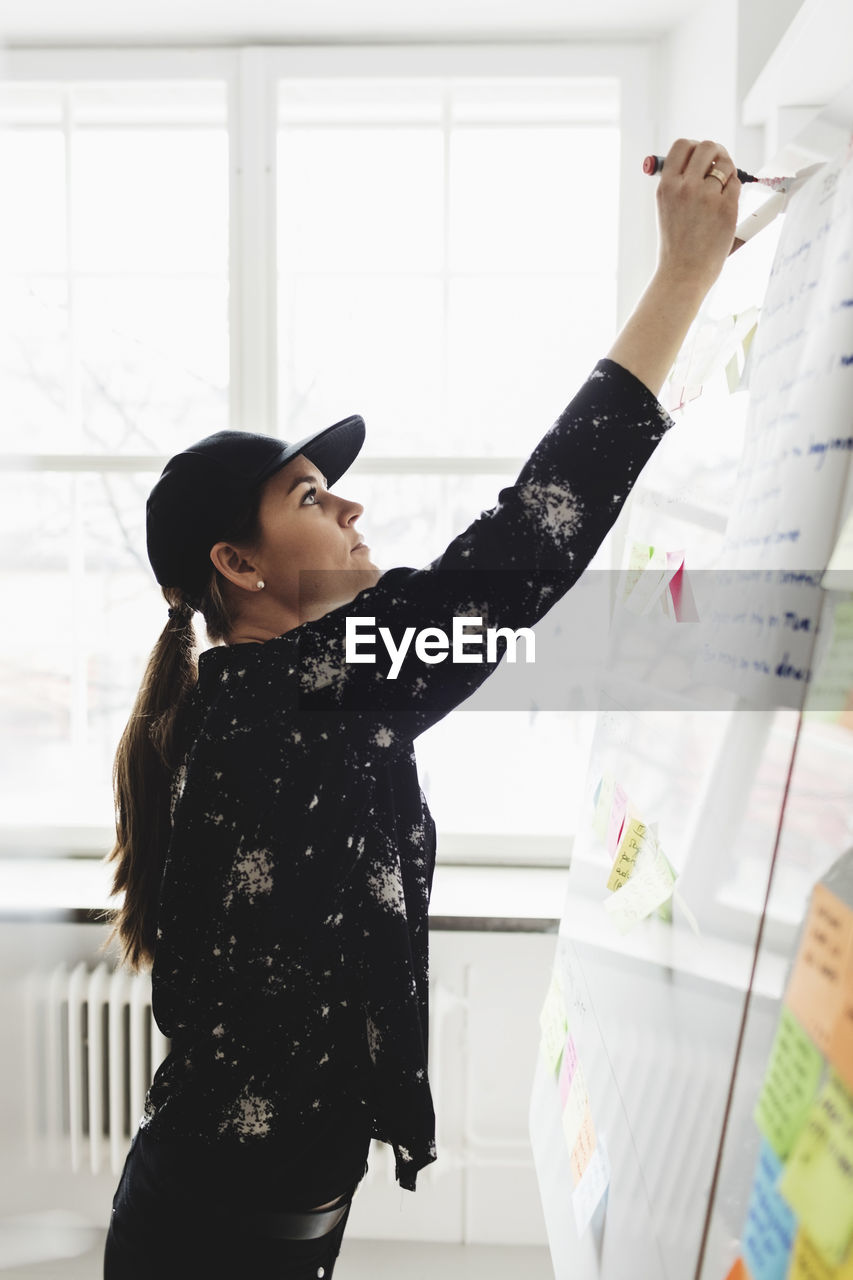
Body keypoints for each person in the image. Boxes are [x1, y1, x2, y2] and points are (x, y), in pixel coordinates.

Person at [101, 137, 740, 1279]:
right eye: (307, 494)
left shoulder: (260, 694)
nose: (348, 504)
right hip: (213, 1228)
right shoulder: (302, 693)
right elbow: (524, 543)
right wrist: (681, 278)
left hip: (237, 1208)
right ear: (240, 566)